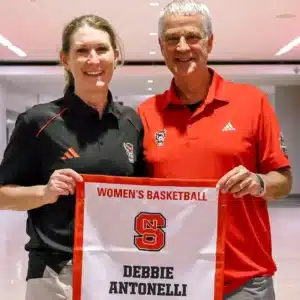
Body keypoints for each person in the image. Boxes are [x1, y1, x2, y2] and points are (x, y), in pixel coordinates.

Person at [137, 1, 292, 299]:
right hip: (171, 279)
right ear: (161, 46)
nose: (182, 47)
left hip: (244, 279)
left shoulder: (252, 102)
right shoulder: (146, 113)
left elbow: (283, 181)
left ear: (209, 42)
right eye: (172, 38)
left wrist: (258, 183)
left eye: (192, 36)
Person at [0, 15, 144, 300]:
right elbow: (2, 194)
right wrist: (45, 192)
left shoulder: (131, 123)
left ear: (116, 56)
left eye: (102, 49)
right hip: (57, 274)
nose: (93, 59)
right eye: (82, 50)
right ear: (65, 59)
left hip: (117, 272)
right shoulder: (38, 121)